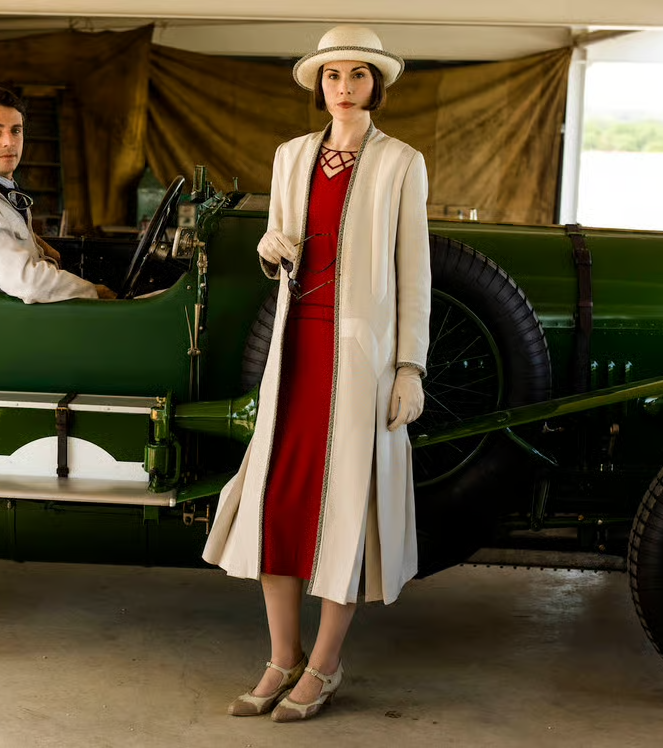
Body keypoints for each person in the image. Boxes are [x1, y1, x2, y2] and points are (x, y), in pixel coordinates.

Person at [202, 25, 431, 723]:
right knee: (279, 501)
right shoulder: (291, 155)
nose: (345, 87)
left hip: (362, 361)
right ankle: (282, 658)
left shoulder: (402, 162)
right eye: (334, 75)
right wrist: (271, 248)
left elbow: (414, 272)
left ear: (375, 84)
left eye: (358, 75)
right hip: (295, 347)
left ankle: (325, 665)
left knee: (346, 508)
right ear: (319, 84)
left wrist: (410, 366)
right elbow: (278, 244)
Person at [0, 85, 115, 303]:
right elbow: (28, 282)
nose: (9, 142)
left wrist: (38, 246)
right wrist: (93, 291)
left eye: (16, 130)